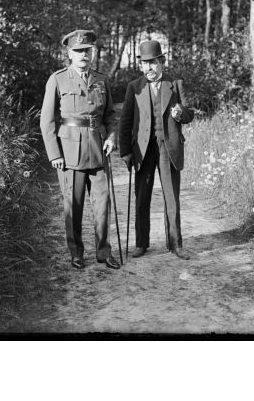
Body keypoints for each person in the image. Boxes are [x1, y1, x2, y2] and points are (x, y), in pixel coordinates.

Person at [40, 29, 120, 270]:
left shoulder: (102, 79)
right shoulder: (58, 79)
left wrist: (112, 136)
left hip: (98, 149)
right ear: (69, 53)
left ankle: (103, 252)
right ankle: (76, 253)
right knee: (72, 206)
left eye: (87, 50)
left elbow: (110, 116)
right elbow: (47, 121)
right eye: (78, 51)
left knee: (102, 204)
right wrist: (54, 154)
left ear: (92, 52)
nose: (84, 54)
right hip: (70, 152)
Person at [119, 40, 194, 259]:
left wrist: (181, 114)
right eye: (145, 64)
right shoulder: (135, 87)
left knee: (172, 197)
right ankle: (141, 243)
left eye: (153, 63)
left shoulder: (176, 84)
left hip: (169, 148)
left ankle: (175, 244)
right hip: (143, 151)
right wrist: (126, 152)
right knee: (142, 197)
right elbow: (124, 122)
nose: (149, 68)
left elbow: (190, 114)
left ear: (161, 62)